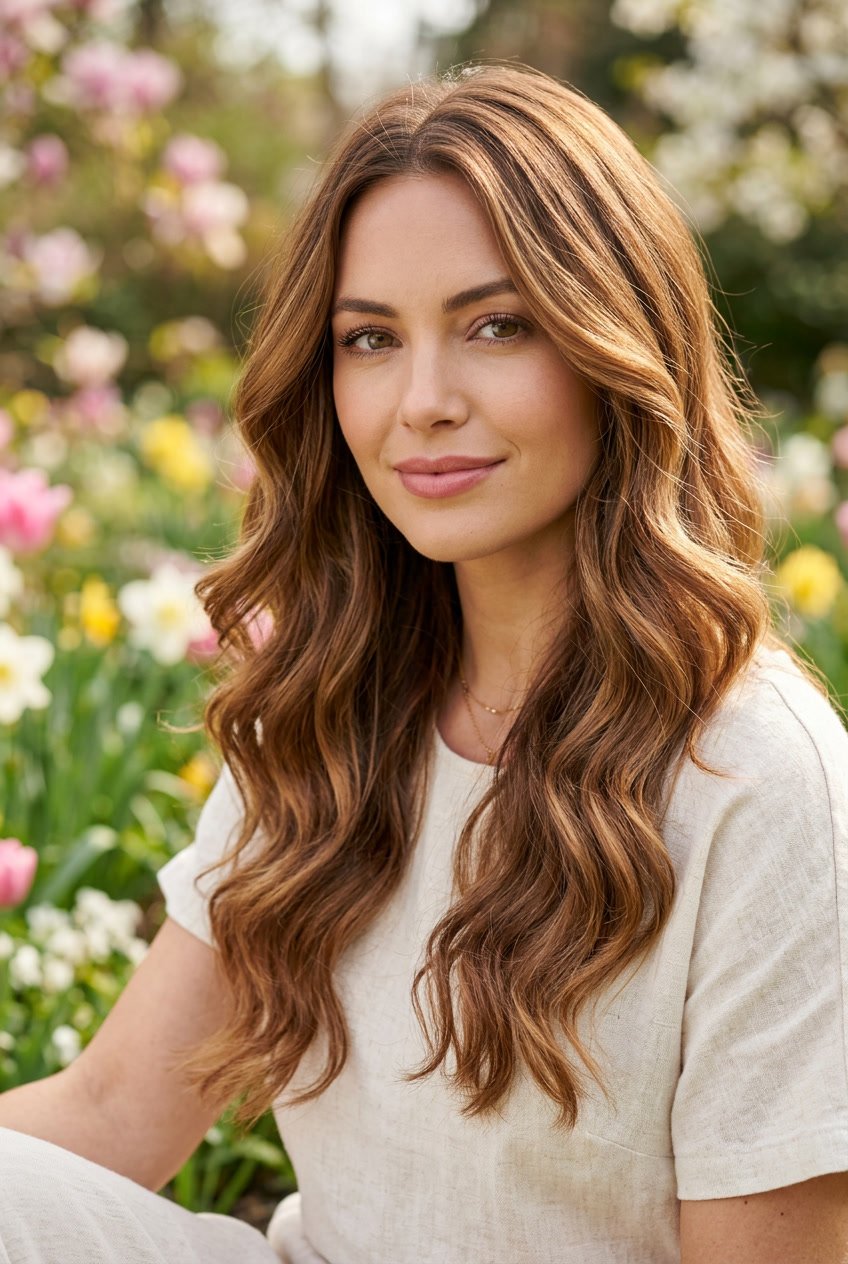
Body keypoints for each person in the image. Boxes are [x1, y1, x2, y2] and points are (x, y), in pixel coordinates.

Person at [1, 59, 847, 1264]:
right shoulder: (331, 712)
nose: (422, 401)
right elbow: (107, 1117)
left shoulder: (754, 776)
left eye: (495, 326)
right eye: (369, 339)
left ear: (615, 348)